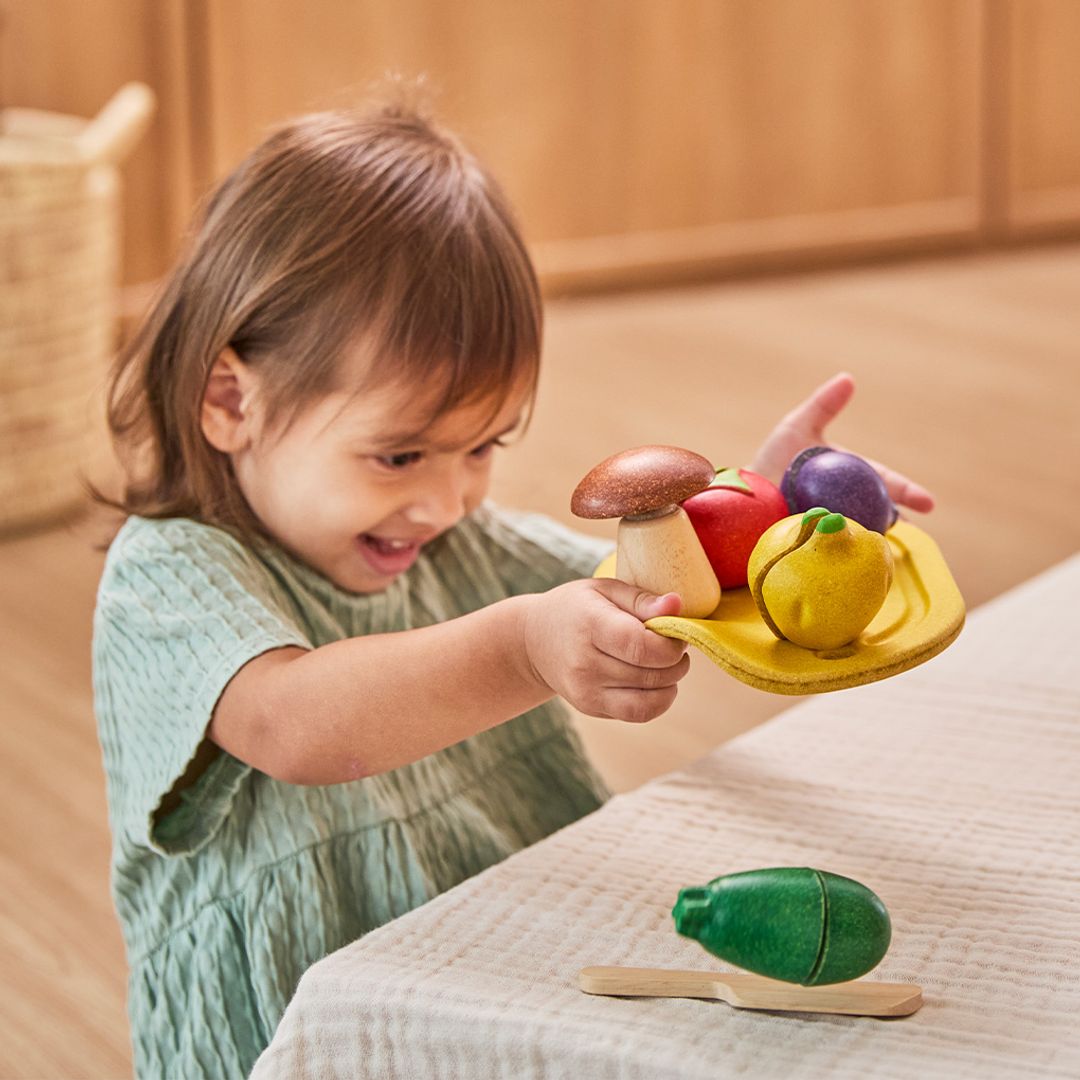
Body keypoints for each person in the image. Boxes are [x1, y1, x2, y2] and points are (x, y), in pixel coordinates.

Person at [92, 99, 933, 1079]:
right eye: (399, 453)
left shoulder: (457, 543)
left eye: (482, 448)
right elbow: (295, 727)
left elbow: (663, 593)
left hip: (477, 981)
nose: (446, 501)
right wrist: (523, 646)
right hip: (289, 1030)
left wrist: (764, 514)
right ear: (230, 399)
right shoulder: (170, 574)